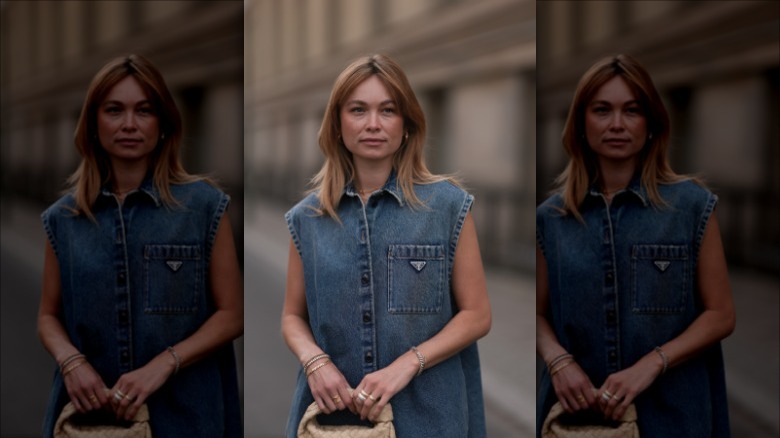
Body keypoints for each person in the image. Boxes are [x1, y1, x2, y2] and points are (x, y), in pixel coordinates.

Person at [281, 54, 492, 437]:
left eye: (388, 110)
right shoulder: (306, 218)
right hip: (334, 418)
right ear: (337, 124)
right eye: (358, 110)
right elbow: (293, 316)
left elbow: (477, 314)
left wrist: (406, 365)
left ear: (407, 124)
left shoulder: (448, 206)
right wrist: (315, 362)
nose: (373, 124)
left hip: (430, 416)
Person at [37, 54, 243, 437]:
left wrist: (163, 364)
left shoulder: (204, 207)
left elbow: (232, 313)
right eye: (114, 110)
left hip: (185, 416)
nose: (129, 124)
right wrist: (71, 362)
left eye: (144, 111)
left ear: (163, 124)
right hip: (89, 417)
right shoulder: (63, 219)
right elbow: (48, 315)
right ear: (94, 123)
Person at [536, 54, 736, 437]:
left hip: (675, 412)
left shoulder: (692, 206)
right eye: (601, 110)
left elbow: (721, 314)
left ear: (651, 123)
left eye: (632, 110)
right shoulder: (552, 217)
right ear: (581, 123)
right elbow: (538, 313)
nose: (616, 124)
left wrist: (650, 365)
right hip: (579, 415)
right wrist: (558, 360)